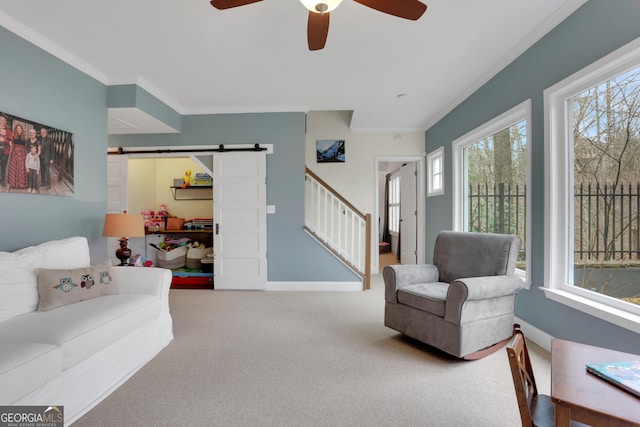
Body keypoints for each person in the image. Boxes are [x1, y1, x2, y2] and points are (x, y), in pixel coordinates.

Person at [7, 123, 28, 189]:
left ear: (22, 129)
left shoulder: (24, 137)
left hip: (22, 153)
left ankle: (22, 184)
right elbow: (9, 141)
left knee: (21, 167)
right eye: (17, 128)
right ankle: (13, 183)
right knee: (14, 167)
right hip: (15, 152)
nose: (19, 129)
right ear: (16, 129)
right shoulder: (13, 136)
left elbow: (28, 145)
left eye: (20, 128)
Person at [0, 115, 13, 187]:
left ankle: (2, 181)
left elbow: (10, 142)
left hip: (5, 152)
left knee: (3, 166)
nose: (2, 122)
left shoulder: (8, 131)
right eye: (1, 120)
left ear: (6, 122)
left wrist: (4, 140)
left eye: (4, 121)